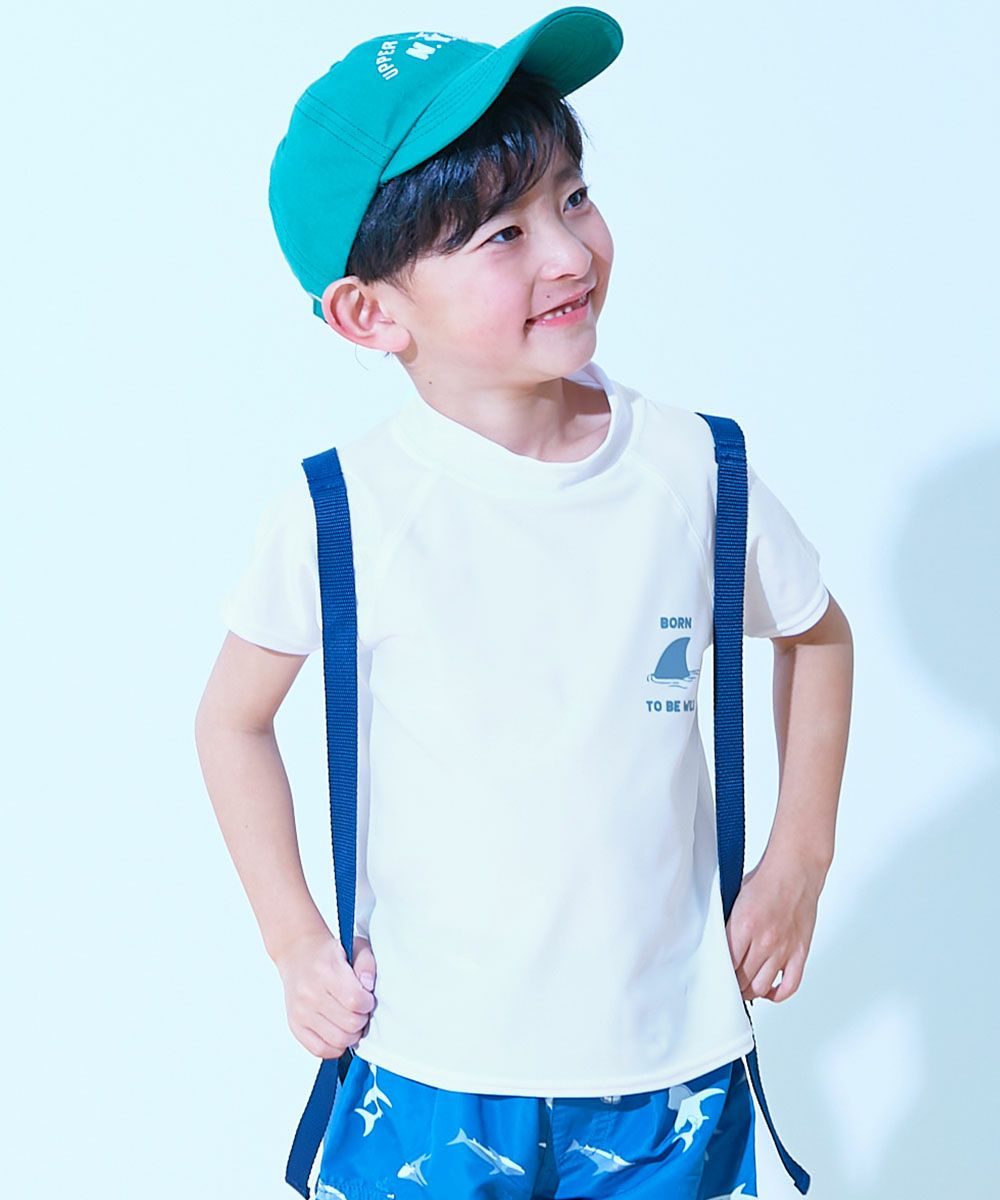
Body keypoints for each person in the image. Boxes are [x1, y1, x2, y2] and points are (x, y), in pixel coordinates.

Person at [194, 9, 854, 1200]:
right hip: (426, 1063)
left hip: (669, 1066)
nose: (567, 251)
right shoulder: (345, 509)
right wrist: (294, 941)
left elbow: (816, 635)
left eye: (573, 197)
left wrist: (797, 858)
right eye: (503, 232)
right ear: (369, 313)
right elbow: (230, 720)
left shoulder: (693, 470)